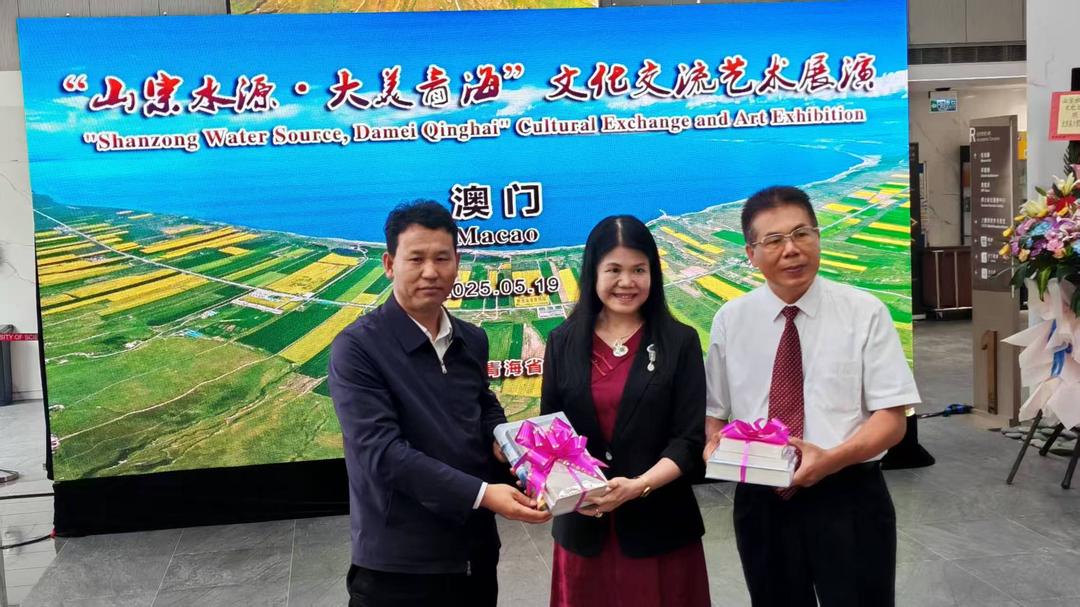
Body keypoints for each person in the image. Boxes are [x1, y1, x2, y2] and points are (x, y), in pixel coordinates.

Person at [704, 186, 920, 607]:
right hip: (762, 498)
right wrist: (713, 441)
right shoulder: (731, 319)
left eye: (802, 234)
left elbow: (892, 419)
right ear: (751, 254)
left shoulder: (864, 312)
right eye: (774, 240)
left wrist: (831, 459)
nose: (792, 250)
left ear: (818, 237)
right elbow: (717, 412)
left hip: (849, 494)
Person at [329, 200, 550, 607]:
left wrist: (501, 438)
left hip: (474, 551)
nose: (430, 271)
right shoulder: (357, 348)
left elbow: (483, 402)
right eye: (416, 259)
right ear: (389, 264)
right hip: (399, 562)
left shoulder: (471, 338)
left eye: (442, 258)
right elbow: (382, 454)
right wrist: (486, 494)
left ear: (457, 263)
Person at [541, 215, 710, 607]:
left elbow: (688, 439)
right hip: (584, 527)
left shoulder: (679, 342)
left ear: (653, 274)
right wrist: (568, 489)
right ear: (593, 273)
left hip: (661, 527)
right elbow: (551, 434)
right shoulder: (562, 342)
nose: (627, 281)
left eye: (639, 270)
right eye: (613, 270)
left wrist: (640, 485)